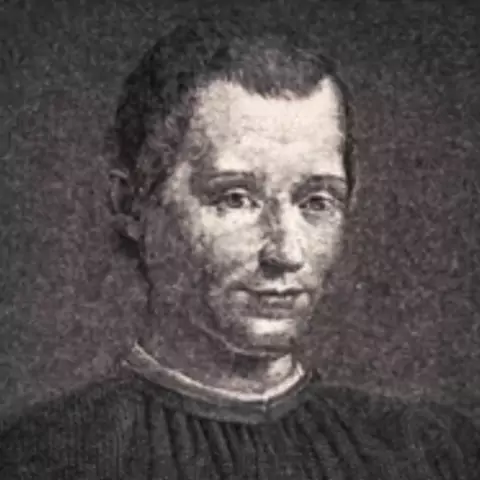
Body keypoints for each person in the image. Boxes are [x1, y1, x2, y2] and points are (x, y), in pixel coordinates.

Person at [1, 11, 479, 480]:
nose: (285, 252)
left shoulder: (429, 452)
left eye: (316, 201)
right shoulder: (42, 457)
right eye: (235, 198)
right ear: (132, 204)